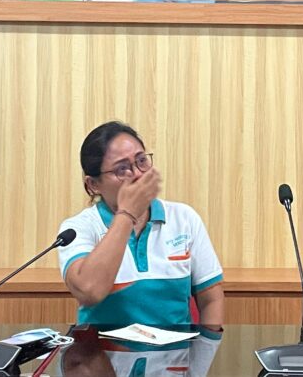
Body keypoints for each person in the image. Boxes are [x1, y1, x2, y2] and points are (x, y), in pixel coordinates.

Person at [58, 121, 224, 325]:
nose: (137, 173)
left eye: (141, 160)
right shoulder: (78, 228)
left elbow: (211, 298)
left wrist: (205, 344)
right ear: (93, 185)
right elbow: (89, 291)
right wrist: (126, 214)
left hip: (175, 345)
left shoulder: (184, 218)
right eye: (122, 169)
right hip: (102, 345)